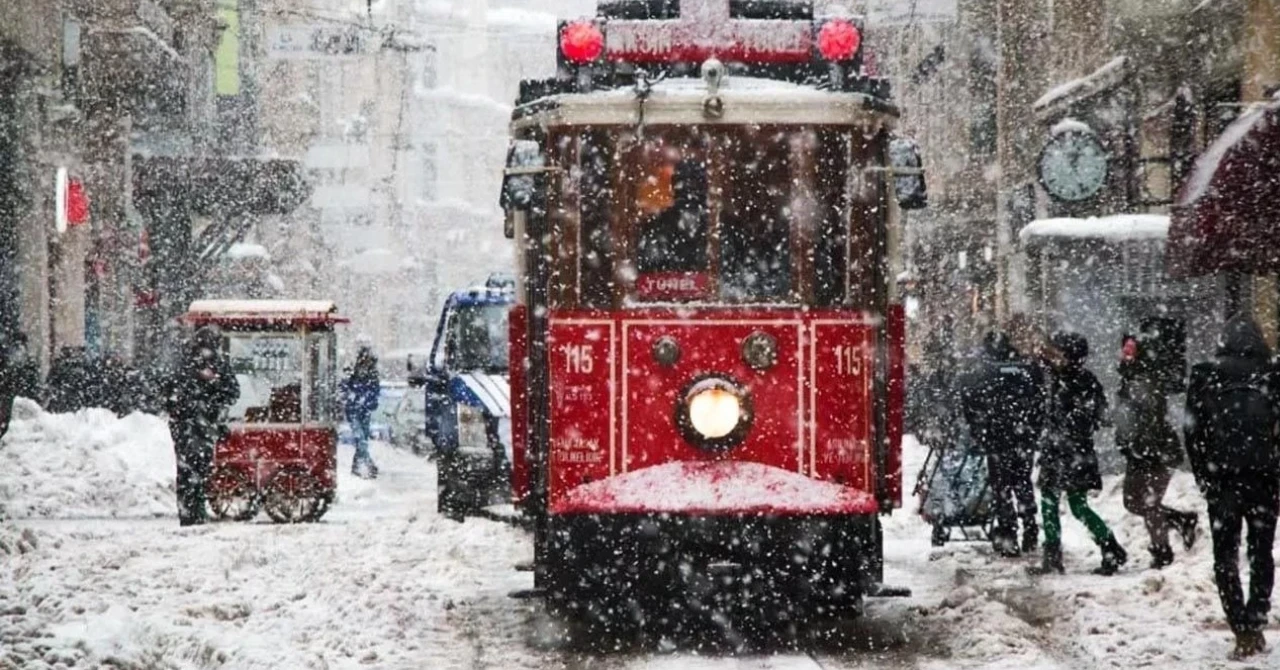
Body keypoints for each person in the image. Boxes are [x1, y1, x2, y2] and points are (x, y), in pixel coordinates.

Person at [1186, 317, 1280, 659]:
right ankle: (1256, 620)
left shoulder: (1206, 374)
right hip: (1263, 478)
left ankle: (1238, 624)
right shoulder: (1272, 372)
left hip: (1222, 479)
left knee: (1225, 556)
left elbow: (1192, 431)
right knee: (1261, 552)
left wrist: (1204, 475)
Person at [1030, 332, 1127, 576]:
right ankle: (1104, 549)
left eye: (1058, 352)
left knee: (1070, 505)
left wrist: (1073, 423)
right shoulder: (1062, 377)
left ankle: (1107, 548)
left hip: (1070, 452)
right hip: (1068, 451)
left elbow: (1100, 416)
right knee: (1057, 503)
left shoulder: (1079, 381)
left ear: (1070, 357)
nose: (1054, 356)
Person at [959, 331, 1045, 557]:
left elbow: (969, 399)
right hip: (1022, 437)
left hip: (997, 438)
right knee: (1023, 482)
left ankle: (1008, 533)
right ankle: (1030, 526)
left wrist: (979, 430)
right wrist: (1032, 430)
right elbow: (1039, 400)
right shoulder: (1025, 369)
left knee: (1002, 487)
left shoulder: (984, 372)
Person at [1116, 332, 1198, 568]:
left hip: (1154, 451)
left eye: (1130, 350)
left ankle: (1162, 553)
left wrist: (1140, 445)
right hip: (1139, 451)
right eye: (1125, 349)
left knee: (1149, 504)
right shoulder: (1131, 377)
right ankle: (1181, 519)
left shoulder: (1144, 380)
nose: (1125, 354)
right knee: (1132, 502)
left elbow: (1147, 419)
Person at [164, 326, 239, 526]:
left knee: (192, 470)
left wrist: (212, 384)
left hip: (196, 425)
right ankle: (192, 511)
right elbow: (171, 392)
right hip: (194, 425)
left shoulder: (204, 365)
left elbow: (231, 392)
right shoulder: (191, 366)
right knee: (193, 469)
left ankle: (191, 511)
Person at [636, 159, 709, 275]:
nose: (689, 192)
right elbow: (647, 274)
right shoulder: (656, 228)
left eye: (694, 185)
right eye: (683, 185)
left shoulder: (717, 228)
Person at [342, 342, 381, 479]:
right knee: (361, 439)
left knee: (362, 439)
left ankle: (358, 465)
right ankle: (367, 464)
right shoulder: (354, 372)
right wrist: (353, 397)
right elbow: (345, 387)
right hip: (355, 410)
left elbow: (375, 391)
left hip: (363, 410)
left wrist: (366, 400)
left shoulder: (371, 373)